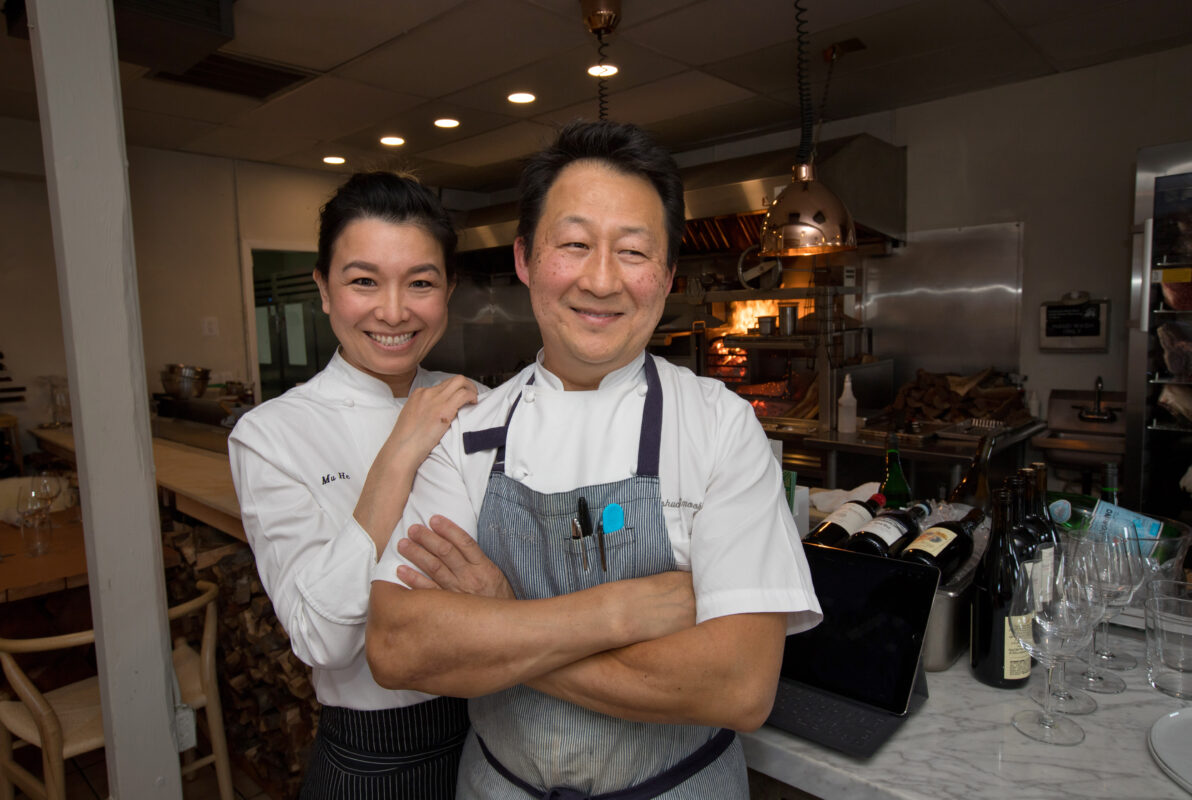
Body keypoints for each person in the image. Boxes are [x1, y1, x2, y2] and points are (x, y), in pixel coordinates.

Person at [366, 121, 822, 799]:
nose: (602, 280)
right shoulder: (465, 431)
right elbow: (400, 646)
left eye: (634, 252)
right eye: (574, 244)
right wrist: (619, 613)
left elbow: (738, 684)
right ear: (524, 258)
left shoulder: (719, 428)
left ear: (666, 276)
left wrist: (497, 617)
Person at [228, 171, 480, 799]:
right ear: (323, 288)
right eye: (363, 280)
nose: (393, 312)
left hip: (504, 729)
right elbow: (321, 638)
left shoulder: (480, 405)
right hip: (377, 754)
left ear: (448, 289)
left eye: (420, 283)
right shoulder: (271, 434)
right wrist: (396, 459)